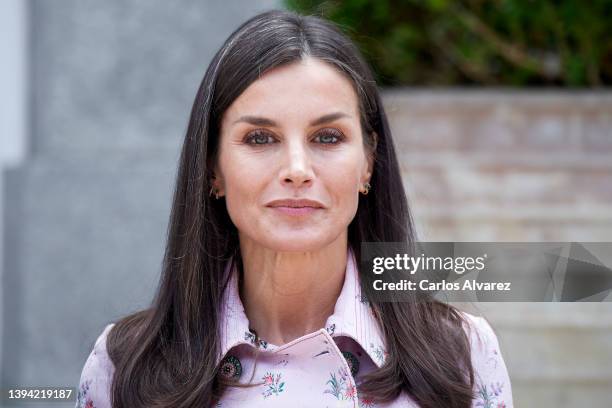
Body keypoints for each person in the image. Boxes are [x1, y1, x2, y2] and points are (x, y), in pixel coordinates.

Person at [75, 9, 513, 408]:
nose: (297, 170)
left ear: (369, 163)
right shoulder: (122, 369)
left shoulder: (462, 355)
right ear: (213, 169)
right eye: (260, 139)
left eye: (327, 137)